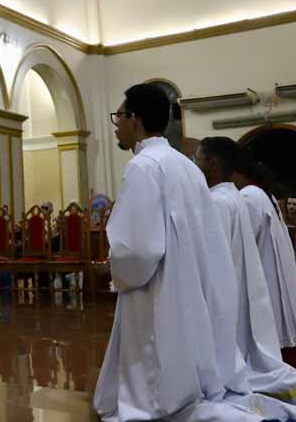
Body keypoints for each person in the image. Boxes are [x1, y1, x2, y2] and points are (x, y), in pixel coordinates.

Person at [95, 83, 250, 421]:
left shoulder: (142, 166)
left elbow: (138, 248)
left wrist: (115, 267)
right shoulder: (185, 165)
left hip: (156, 285)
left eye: (118, 116)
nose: (117, 124)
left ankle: (155, 400)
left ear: (135, 119)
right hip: (188, 279)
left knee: (155, 366)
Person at [195, 137, 296, 412]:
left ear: (213, 163)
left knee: (248, 368)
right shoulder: (248, 195)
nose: (194, 166)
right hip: (251, 279)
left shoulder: (232, 199)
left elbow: (215, 253)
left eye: (197, 160)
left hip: (238, 282)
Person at [232, 151, 296, 350]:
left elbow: (241, 240)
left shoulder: (248, 196)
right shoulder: (261, 193)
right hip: (267, 268)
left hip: (260, 270)